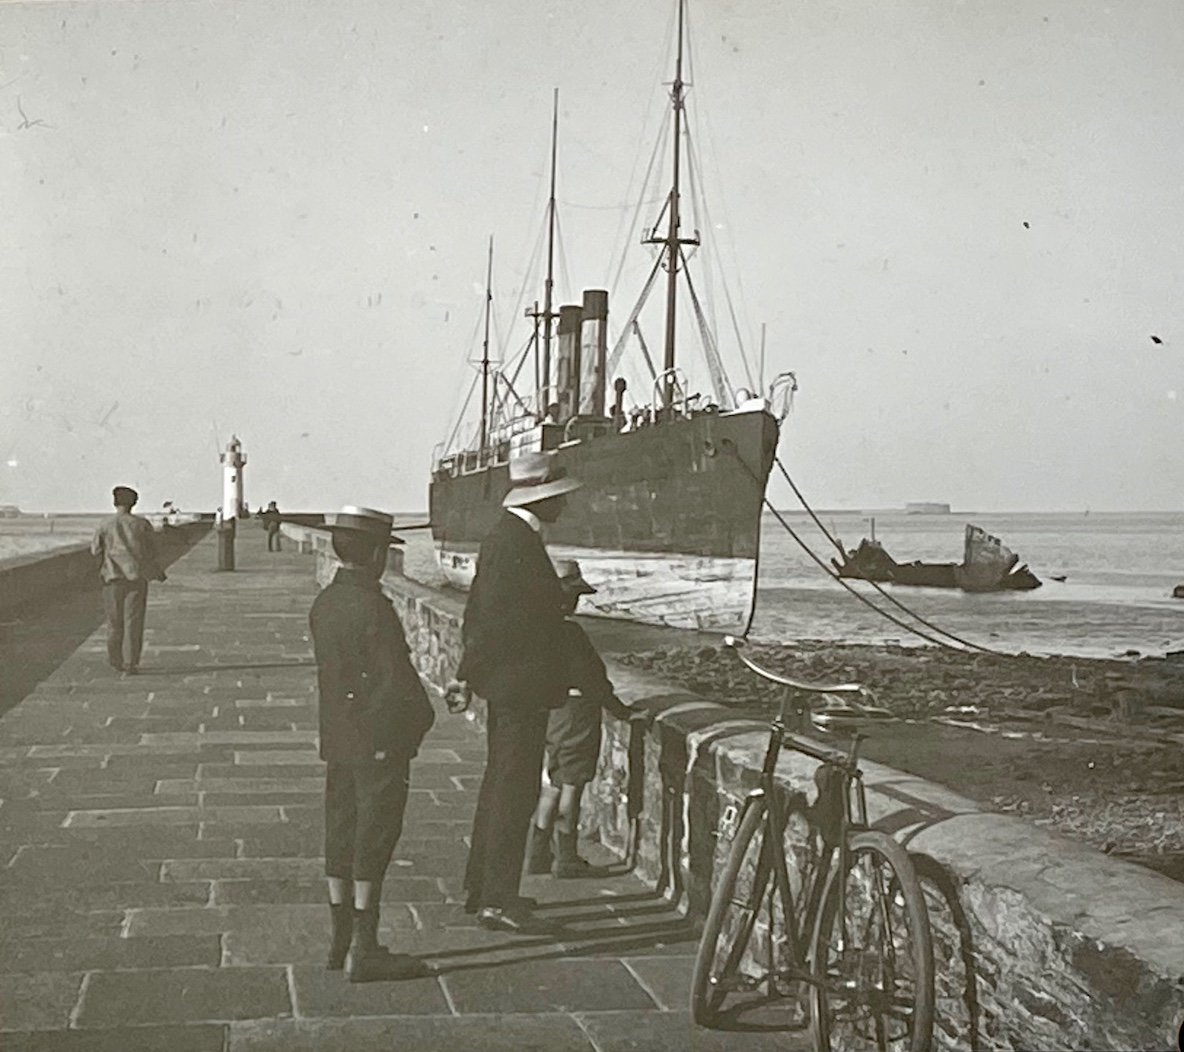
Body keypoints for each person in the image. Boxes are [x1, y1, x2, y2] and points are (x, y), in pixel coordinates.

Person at [445, 451, 581, 935]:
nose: (563, 506)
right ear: (540, 500)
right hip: (519, 687)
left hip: (508, 684)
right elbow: (496, 619)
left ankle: (484, 889)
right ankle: (496, 901)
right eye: (557, 498)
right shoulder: (516, 544)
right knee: (513, 791)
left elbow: (478, 611)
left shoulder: (507, 538)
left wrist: (466, 672)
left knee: (500, 785)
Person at [308, 505, 436, 982]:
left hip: (338, 737)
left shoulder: (326, 602)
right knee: (375, 837)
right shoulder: (373, 607)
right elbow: (397, 681)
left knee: (339, 830)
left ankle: (339, 934)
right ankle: (366, 946)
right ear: (378, 555)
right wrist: (420, 721)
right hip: (379, 740)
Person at [525, 560, 651, 878]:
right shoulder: (569, 633)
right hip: (577, 715)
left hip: (551, 714)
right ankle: (566, 858)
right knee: (572, 786)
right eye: (574, 595)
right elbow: (595, 681)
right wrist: (623, 712)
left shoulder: (535, 630)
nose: (577, 601)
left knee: (552, 783)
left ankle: (537, 853)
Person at [90, 485, 167, 676]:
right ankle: (131, 662)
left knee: (114, 622)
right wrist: (156, 571)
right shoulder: (142, 524)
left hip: (112, 578)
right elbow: (152, 551)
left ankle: (115, 660)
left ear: (115, 502)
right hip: (136, 578)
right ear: (134, 503)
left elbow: (95, 550)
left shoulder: (105, 524)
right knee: (134, 621)